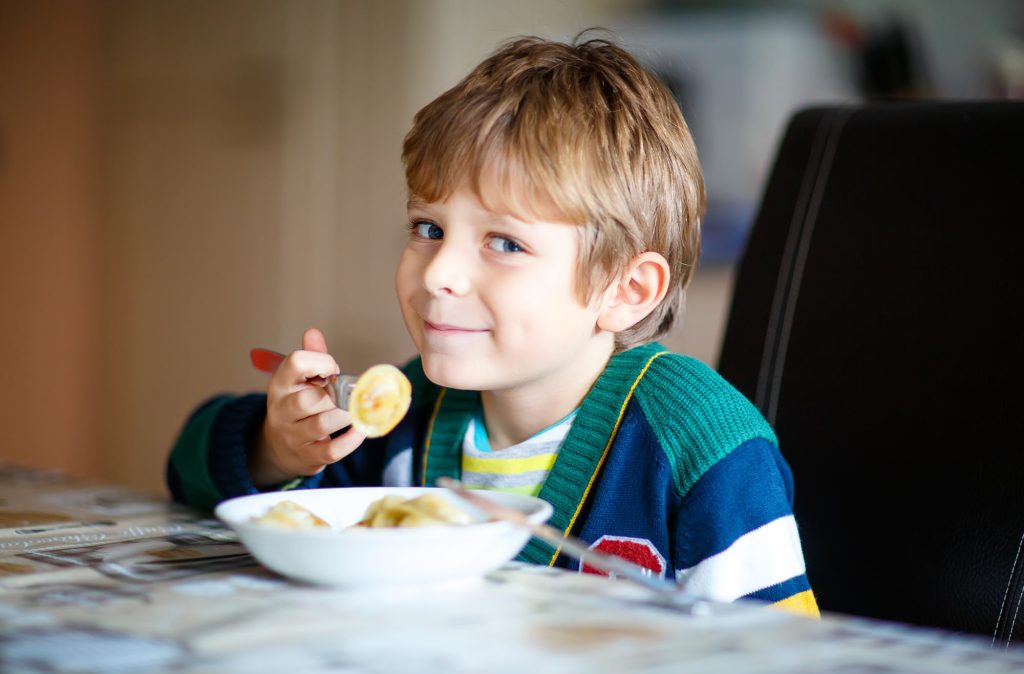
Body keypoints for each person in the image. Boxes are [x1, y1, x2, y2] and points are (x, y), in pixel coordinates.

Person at [168, 33, 818, 617]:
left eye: (504, 243)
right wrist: (275, 448)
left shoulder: (700, 447)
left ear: (626, 291)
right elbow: (188, 468)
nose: (438, 273)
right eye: (429, 228)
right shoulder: (404, 420)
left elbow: (783, 658)